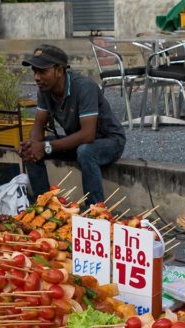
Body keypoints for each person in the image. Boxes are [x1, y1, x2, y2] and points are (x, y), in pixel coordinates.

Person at [20, 44, 125, 207]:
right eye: (34, 71)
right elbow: (39, 125)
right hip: (77, 143)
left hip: (109, 141)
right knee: (31, 150)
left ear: (59, 70)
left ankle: (96, 213)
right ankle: (44, 207)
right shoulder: (44, 90)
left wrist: (46, 147)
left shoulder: (84, 87)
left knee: (85, 151)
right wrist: (33, 146)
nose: (36, 77)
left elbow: (87, 135)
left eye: (42, 71)